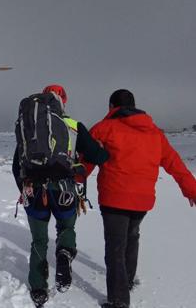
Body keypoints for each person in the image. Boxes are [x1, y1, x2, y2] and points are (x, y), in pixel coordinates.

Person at [83, 89, 196, 308]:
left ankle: (119, 301)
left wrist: (76, 179)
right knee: (132, 236)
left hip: (114, 197)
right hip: (142, 201)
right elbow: (176, 166)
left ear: (112, 107)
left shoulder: (103, 128)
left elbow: (87, 158)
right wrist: (192, 190)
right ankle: (127, 281)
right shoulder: (154, 133)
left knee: (115, 246)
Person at [12, 84, 109, 307]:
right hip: (64, 189)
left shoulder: (30, 128)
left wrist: (24, 189)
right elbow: (99, 156)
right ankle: (64, 253)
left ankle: (38, 290)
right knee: (66, 228)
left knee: (39, 240)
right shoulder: (73, 126)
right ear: (62, 101)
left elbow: (16, 166)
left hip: (33, 189)